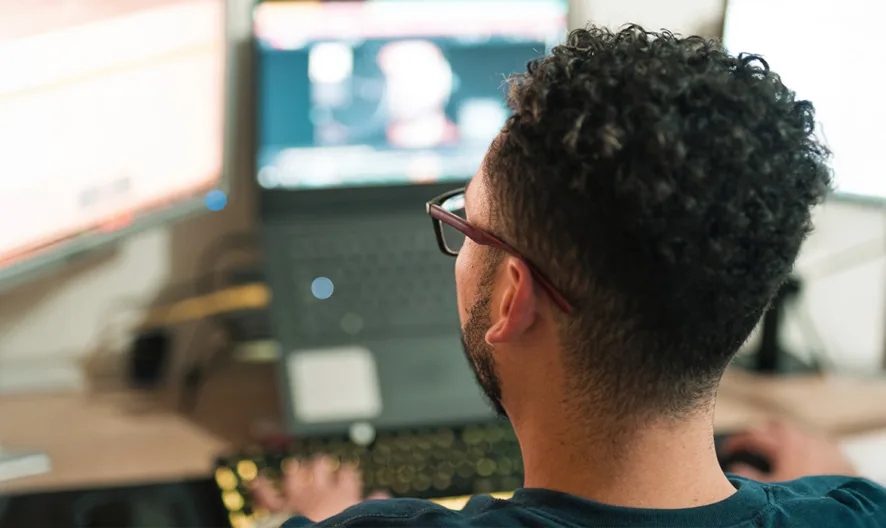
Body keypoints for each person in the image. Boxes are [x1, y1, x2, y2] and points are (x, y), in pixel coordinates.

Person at [253, 25, 886, 526]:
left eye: (467, 223)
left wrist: (310, 516)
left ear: (512, 297)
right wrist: (839, 477)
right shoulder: (855, 507)